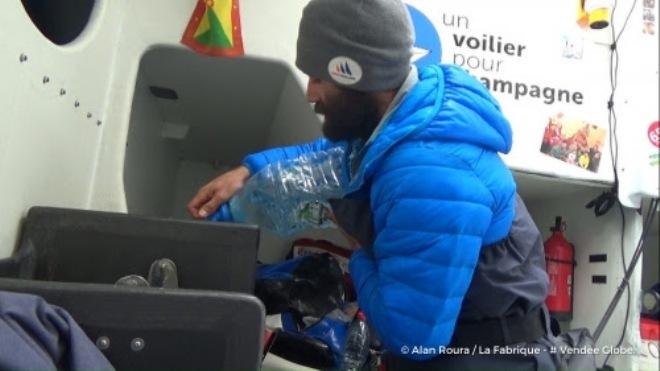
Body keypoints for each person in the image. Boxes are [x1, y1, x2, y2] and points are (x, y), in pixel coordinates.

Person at [188, 0, 559, 369]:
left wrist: (359, 247)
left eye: (319, 77)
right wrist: (251, 170)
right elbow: (338, 153)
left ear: (356, 74)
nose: (310, 93)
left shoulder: (429, 174)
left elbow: (412, 340)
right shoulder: (411, 108)